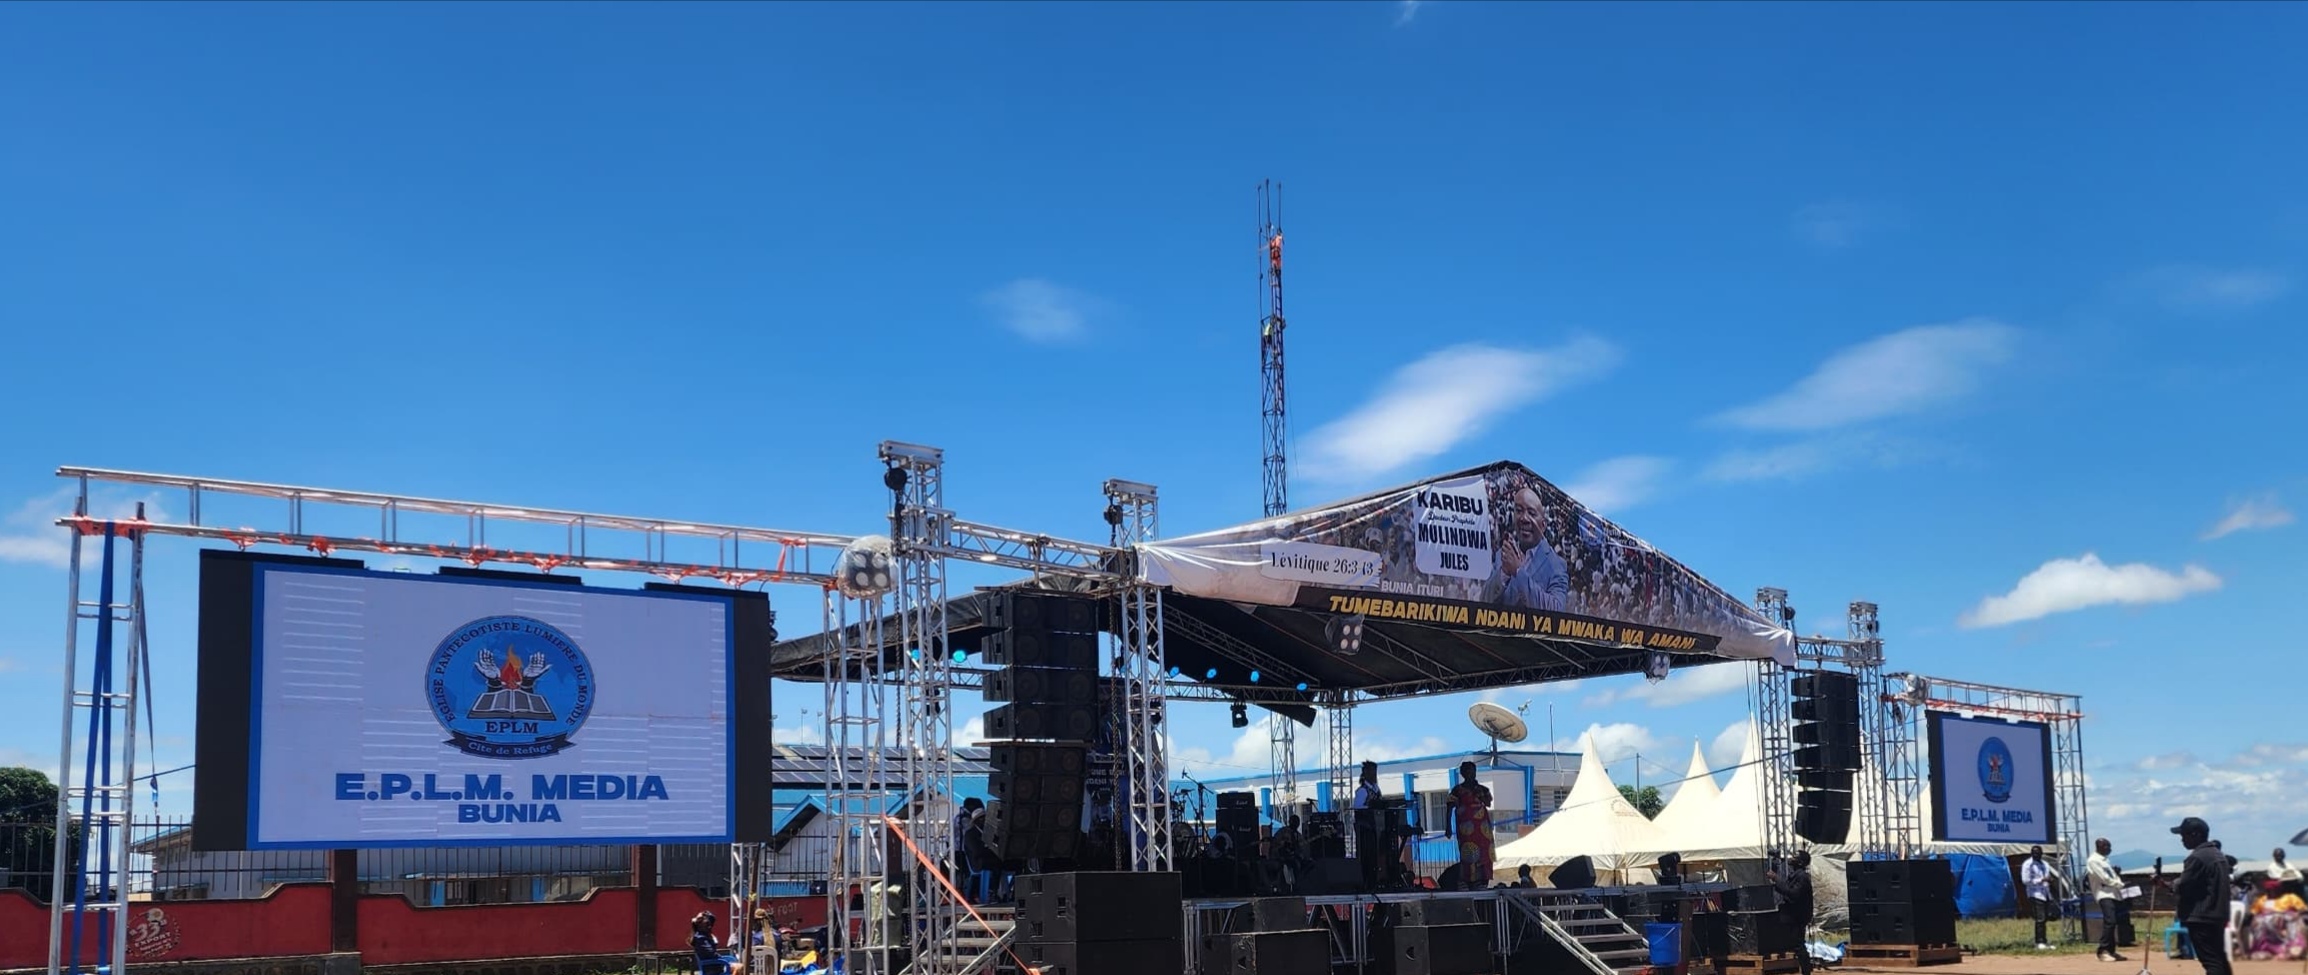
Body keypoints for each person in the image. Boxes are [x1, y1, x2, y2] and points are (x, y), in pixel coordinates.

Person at [2173, 817, 2234, 975]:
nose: (2182, 839)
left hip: (2201, 916)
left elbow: (2184, 885)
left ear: (2196, 835)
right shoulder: (2217, 855)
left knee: (2211, 961)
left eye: (2185, 835)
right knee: (2219, 958)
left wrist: (2170, 885)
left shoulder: (2197, 857)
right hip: (2217, 915)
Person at [1496, 487, 1569, 612]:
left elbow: (1556, 610)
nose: (1524, 518)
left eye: (1531, 513)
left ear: (1543, 525)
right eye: (1519, 511)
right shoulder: (1502, 555)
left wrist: (1518, 572)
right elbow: (1484, 600)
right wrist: (1504, 574)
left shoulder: (1556, 564)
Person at [1445, 761, 1495, 888]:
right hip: (1466, 829)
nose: (1471, 774)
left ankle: (1483, 881)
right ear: (1463, 773)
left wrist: (1480, 793)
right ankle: (1469, 880)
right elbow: (1449, 808)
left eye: (1473, 771)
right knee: (1469, 853)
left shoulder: (1482, 789)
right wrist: (1448, 827)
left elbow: (1488, 803)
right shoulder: (1457, 790)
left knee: (1484, 854)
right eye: (1468, 771)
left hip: (1483, 829)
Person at [2085, 838, 2130, 962]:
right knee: (2110, 921)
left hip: (2114, 894)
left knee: (2114, 922)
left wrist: (2119, 882)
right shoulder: (2093, 860)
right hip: (2103, 894)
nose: (2110, 849)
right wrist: (2119, 884)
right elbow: (2104, 878)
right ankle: (2102, 950)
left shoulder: (2105, 861)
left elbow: (2112, 876)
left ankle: (2111, 950)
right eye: (2107, 847)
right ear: (2100, 846)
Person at [1774, 851, 1816, 975]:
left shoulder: (1802, 877)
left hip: (1798, 917)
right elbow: (1786, 889)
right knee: (1796, 944)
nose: (1791, 858)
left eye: (1795, 857)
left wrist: (1776, 879)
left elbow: (1793, 894)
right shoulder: (1796, 875)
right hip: (1792, 915)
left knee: (1799, 945)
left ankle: (1806, 971)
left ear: (1801, 862)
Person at [2245, 880, 2308, 960]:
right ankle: (2264, 949)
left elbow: (2304, 910)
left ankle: (2293, 947)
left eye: (2273, 890)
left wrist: (2296, 914)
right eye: (2268, 890)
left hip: (2286, 926)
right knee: (2259, 921)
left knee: (2291, 919)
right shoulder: (2262, 900)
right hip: (2268, 930)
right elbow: (2253, 913)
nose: (2271, 892)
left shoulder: (2290, 898)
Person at [1351, 761, 1386, 891]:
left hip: (1377, 828)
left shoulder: (1377, 789)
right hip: (1365, 830)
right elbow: (1357, 808)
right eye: (1372, 772)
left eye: (1375, 772)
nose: (1374, 775)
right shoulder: (1362, 791)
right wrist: (1370, 807)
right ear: (1366, 773)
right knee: (1367, 857)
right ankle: (1366, 882)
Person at [2021, 845, 2063, 949]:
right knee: (2040, 918)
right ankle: (2039, 942)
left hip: (2045, 893)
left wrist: (2050, 880)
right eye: (2034, 853)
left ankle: (2044, 940)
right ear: (2031, 853)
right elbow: (2025, 880)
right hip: (2035, 893)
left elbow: (2047, 877)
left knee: (2045, 918)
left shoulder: (2045, 864)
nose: (2036, 854)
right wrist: (2041, 880)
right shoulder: (2028, 864)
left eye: (2038, 853)